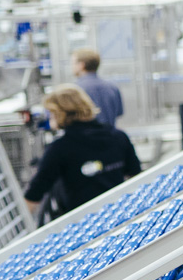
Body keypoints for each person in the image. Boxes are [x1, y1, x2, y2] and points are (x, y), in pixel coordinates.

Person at [26, 85, 141, 222]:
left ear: (58, 113)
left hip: (81, 225)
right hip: (118, 217)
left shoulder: (60, 148)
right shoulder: (118, 136)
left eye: (51, 113)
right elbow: (136, 176)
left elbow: (35, 193)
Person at [72, 48, 124, 127]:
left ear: (81, 65)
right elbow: (119, 113)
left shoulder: (75, 90)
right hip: (110, 136)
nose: (72, 67)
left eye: (73, 63)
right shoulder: (113, 87)